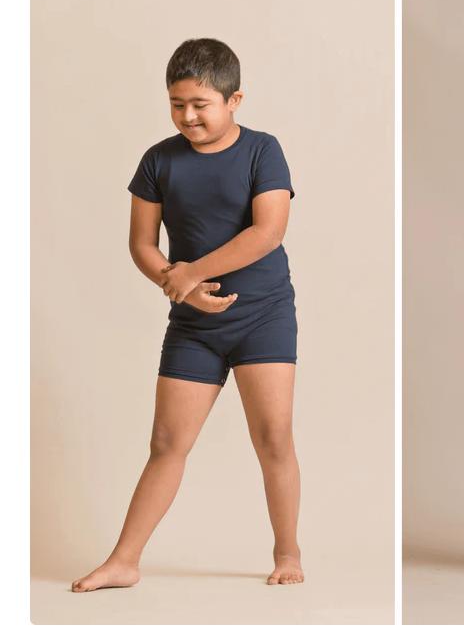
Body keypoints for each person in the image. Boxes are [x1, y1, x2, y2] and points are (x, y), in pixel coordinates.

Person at [72, 38, 303, 591]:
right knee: (166, 444)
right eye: (177, 104)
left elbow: (268, 233)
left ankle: (288, 551)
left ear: (234, 99)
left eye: (201, 103)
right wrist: (180, 288)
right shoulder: (158, 159)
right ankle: (124, 561)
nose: (188, 116)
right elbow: (142, 245)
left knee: (273, 437)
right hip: (194, 323)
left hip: (263, 317)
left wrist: (190, 272)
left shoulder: (262, 150)